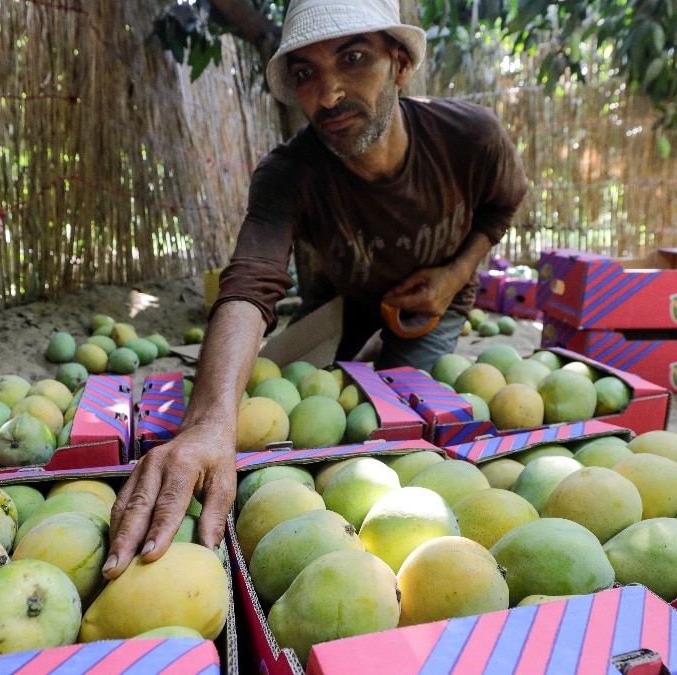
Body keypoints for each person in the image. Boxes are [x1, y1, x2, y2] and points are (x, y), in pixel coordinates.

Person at [101, 0, 528, 579]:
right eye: (305, 73)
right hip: (340, 299)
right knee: (321, 396)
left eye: (353, 59)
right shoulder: (288, 173)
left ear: (399, 64)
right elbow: (251, 283)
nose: (328, 96)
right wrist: (208, 423)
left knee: (404, 402)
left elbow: (504, 205)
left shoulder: (469, 138)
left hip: (430, 303)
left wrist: (454, 275)